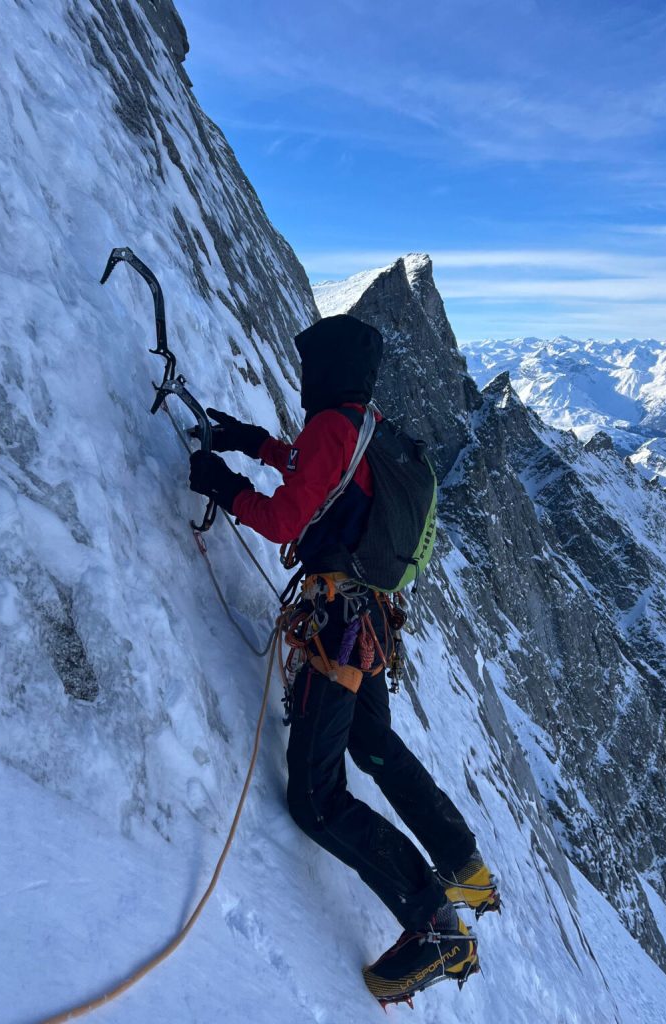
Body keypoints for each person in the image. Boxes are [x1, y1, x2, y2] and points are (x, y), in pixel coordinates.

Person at [188, 314, 499, 1003]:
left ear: (324, 368)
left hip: (336, 629)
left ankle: (433, 925)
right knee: (372, 740)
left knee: (316, 799)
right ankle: (461, 861)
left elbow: (283, 520)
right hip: (370, 620)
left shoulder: (334, 424)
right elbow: (327, 476)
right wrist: (255, 443)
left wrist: (222, 483)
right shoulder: (369, 424)